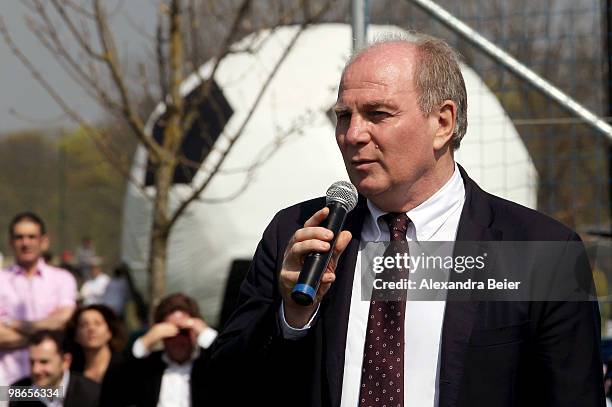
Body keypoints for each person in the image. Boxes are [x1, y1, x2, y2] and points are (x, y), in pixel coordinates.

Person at [209, 32, 605, 406]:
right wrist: (291, 317)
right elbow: (224, 388)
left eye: (377, 114)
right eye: (344, 116)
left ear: (443, 123)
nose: (353, 134)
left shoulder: (538, 250)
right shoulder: (298, 234)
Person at [99, 293, 218, 407]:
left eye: (183, 331)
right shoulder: (149, 367)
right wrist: (147, 340)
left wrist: (206, 333)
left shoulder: (209, 364)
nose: (177, 339)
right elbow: (114, 381)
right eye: (170, 332)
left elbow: (231, 365)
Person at [0, 212, 77, 386]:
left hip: (51, 384)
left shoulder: (62, 279)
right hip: (6, 382)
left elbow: (63, 321)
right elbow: (56, 329)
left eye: (31, 237)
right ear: (11, 242)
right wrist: (46, 337)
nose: (25, 243)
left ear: (44, 240)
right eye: (19, 237)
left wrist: (13, 324)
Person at [9, 330, 100, 407]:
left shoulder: (92, 394)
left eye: (44, 362)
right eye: (32, 362)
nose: (35, 370)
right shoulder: (17, 392)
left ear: (65, 361)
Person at [66, 305, 126, 383]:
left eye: (97, 323)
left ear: (110, 332)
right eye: (84, 325)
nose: (91, 328)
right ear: (75, 335)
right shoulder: (69, 370)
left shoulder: (125, 368)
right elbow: (51, 392)